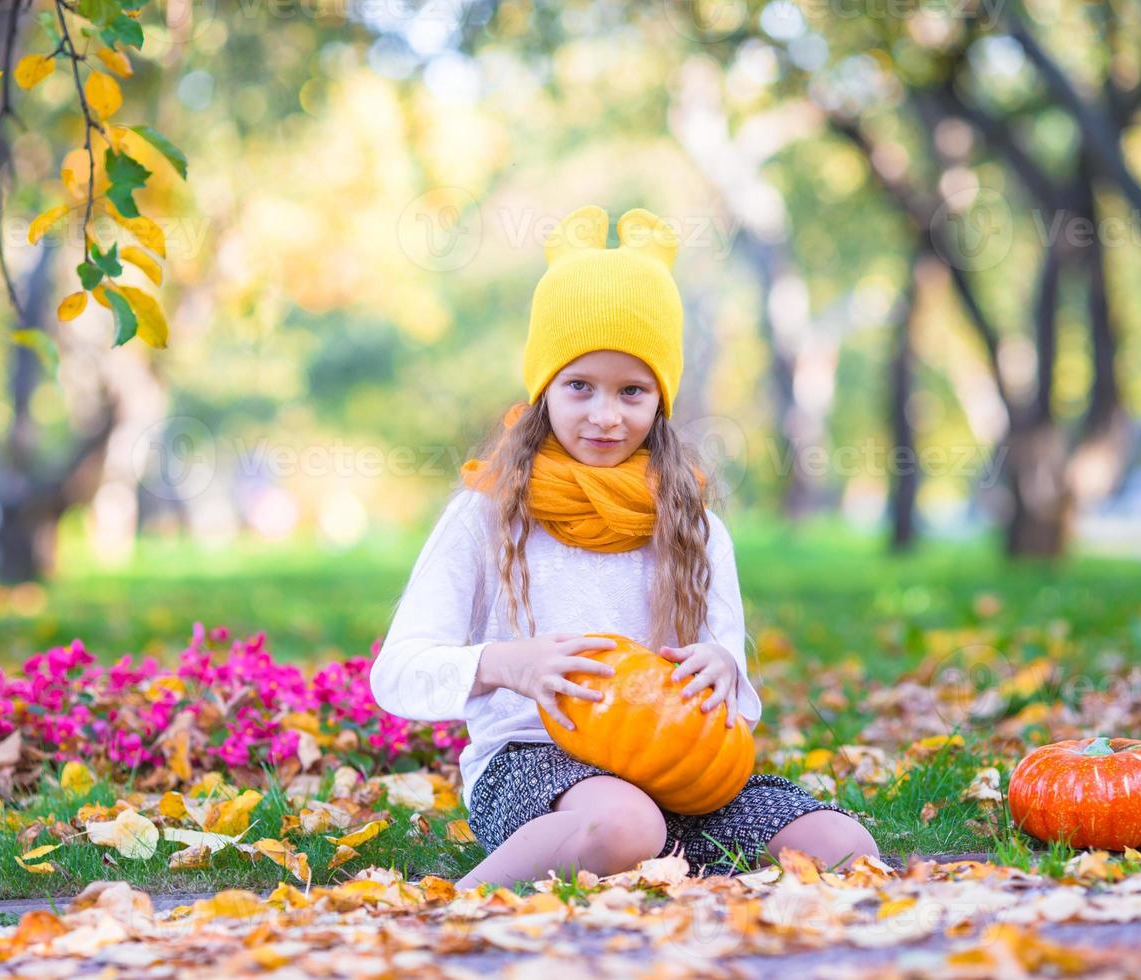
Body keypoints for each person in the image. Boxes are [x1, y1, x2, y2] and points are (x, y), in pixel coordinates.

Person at [370, 204, 878, 889]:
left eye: (632, 391)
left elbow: (737, 695)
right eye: (580, 386)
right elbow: (396, 672)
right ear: (544, 388)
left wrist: (724, 669)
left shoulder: (692, 525)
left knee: (843, 843)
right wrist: (506, 664)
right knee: (628, 825)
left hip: (672, 768)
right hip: (532, 763)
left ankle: (653, 869)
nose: (606, 415)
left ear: (660, 399)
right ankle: (459, 907)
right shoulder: (486, 516)